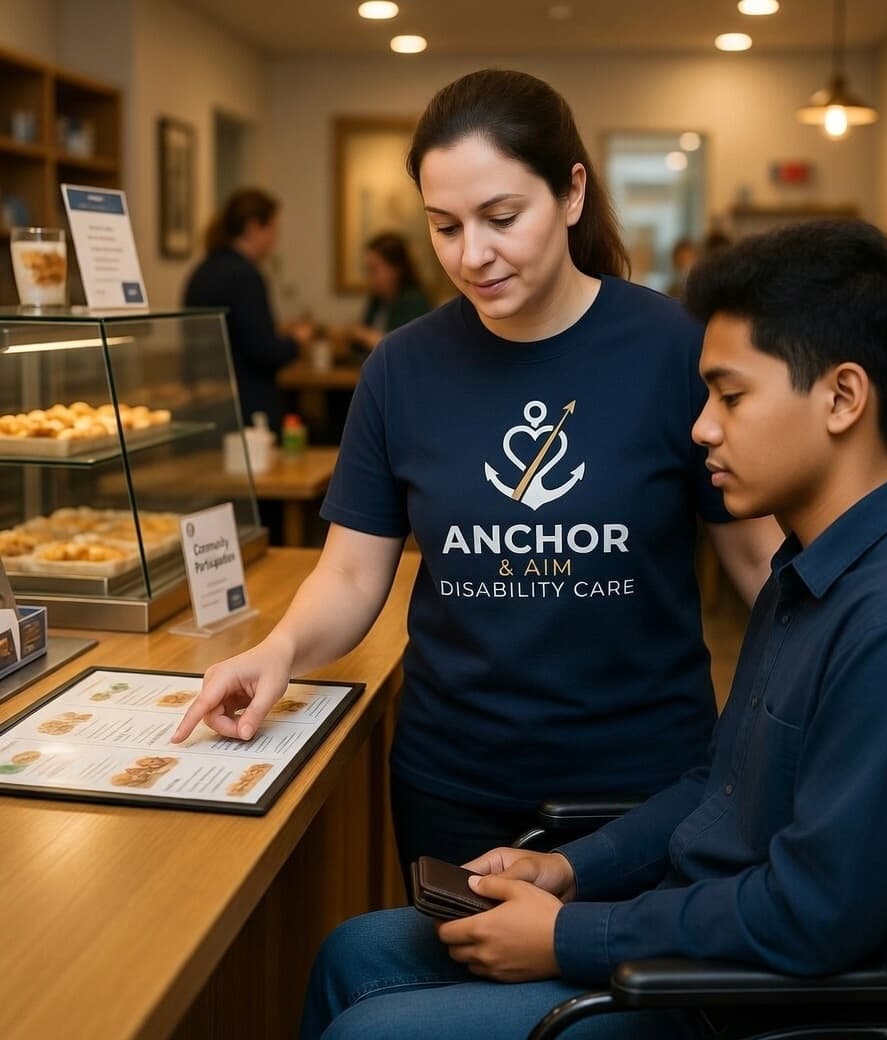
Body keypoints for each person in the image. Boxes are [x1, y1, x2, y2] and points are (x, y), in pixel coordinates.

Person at [299, 219, 887, 1039]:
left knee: (364, 1029)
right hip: (694, 933)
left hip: (740, 1001)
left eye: (730, 397)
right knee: (352, 954)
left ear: (842, 397)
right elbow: (716, 792)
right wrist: (566, 870)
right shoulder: (811, 569)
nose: (700, 427)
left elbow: (814, 916)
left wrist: (569, 936)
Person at [172, 69, 779, 879]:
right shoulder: (401, 369)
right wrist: (279, 650)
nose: (473, 255)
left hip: (643, 789)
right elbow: (352, 576)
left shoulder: (673, 348)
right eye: (444, 226)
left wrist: (808, 712)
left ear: (571, 193)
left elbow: (758, 562)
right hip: (452, 779)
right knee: (453, 989)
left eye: (501, 218)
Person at [183, 188, 313, 431]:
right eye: (273, 230)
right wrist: (297, 340)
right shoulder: (245, 276)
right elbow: (263, 350)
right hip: (245, 406)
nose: (275, 241)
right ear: (253, 227)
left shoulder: (202, 271)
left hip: (206, 402)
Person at [343, 232, 432, 359]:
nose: (369, 277)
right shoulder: (377, 300)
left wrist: (364, 334)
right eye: (367, 270)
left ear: (396, 270)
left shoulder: (414, 301)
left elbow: (404, 348)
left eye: (374, 269)